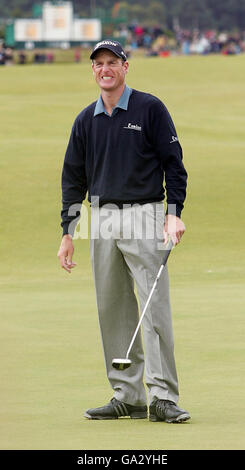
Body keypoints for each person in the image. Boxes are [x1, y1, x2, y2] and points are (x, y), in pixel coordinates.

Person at [57, 40, 190, 423]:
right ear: (93, 71)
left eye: (111, 62)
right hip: (101, 219)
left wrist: (173, 212)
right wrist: (68, 231)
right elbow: (73, 179)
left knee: (153, 307)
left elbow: (174, 165)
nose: (104, 69)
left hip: (145, 214)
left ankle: (162, 396)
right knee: (112, 309)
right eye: (98, 64)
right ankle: (127, 395)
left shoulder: (150, 108)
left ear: (125, 66)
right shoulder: (86, 120)